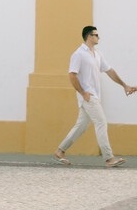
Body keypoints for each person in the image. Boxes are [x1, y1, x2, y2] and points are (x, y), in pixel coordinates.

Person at [53, 26, 128, 167]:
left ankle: (60, 151)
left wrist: (123, 84)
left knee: (80, 126)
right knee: (101, 122)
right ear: (89, 36)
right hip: (88, 96)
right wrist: (82, 92)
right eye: (96, 35)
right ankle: (109, 158)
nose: (98, 37)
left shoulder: (97, 54)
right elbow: (72, 74)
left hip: (93, 96)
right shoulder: (78, 54)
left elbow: (109, 71)